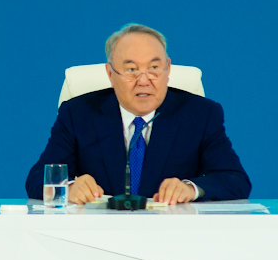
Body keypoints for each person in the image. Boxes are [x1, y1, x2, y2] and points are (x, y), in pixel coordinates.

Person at [26, 23, 250, 205]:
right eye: (131, 70)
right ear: (110, 73)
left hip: (173, 235)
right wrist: (69, 188)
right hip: (98, 234)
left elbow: (235, 180)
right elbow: (37, 179)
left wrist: (190, 189)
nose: (144, 81)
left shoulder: (200, 115)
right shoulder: (78, 114)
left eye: (154, 68)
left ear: (168, 69)